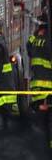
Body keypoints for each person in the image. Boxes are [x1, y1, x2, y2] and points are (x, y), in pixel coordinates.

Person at [27, 15, 52, 147]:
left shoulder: (35, 39)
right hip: (49, 89)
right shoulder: (48, 41)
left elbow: (28, 47)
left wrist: (35, 33)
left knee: (40, 119)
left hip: (37, 88)